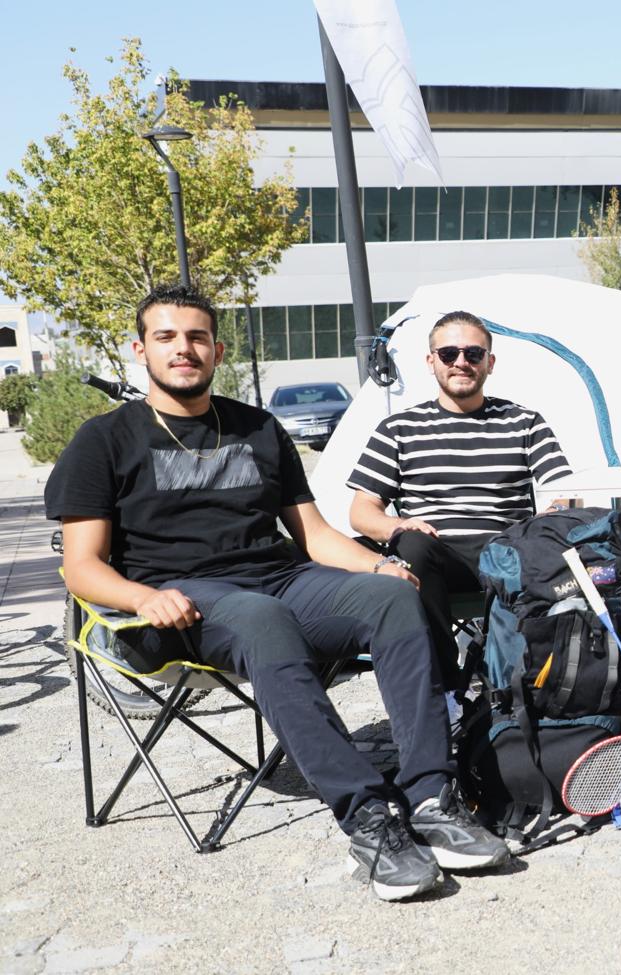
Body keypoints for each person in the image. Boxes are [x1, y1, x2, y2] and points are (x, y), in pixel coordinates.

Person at [47, 284, 508, 902]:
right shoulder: (104, 440)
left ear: (216, 350)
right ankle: (369, 818)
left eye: (197, 337)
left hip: (281, 580)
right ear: (141, 349)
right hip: (177, 603)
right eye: (167, 337)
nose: (184, 349)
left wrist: (378, 566)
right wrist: (139, 598)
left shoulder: (259, 427)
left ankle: (431, 798)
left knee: (394, 597)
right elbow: (81, 567)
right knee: (263, 618)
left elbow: (313, 535)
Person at [347, 310, 573, 698]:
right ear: (431, 361)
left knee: (563, 540)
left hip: (506, 556)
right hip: (433, 558)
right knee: (410, 545)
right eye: (449, 353)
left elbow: (564, 492)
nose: (461, 362)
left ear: (490, 362)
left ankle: (540, 685)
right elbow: (361, 511)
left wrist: (550, 519)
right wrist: (398, 526)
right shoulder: (398, 429)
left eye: (473, 353)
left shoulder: (524, 422)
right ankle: (445, 691)